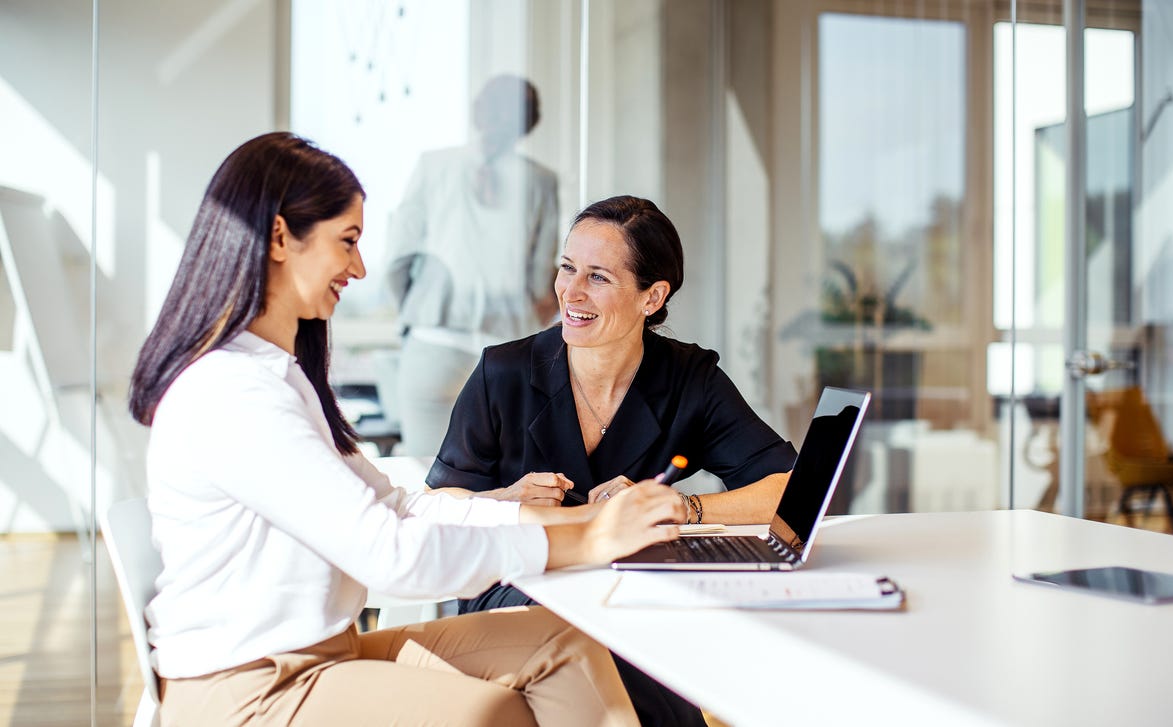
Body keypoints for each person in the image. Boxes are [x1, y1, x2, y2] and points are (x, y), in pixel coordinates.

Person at [127, 133, 684, 727]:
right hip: (250, 687)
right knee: (491, 713)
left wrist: (583, 521)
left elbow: (397, 506)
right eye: (348, 241)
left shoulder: (278, 378)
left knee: (564, 642)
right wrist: (585, 542)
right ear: (280, 237)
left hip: (322, 658)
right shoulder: (233, 393)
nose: (361, 267)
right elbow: (389, 554)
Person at [426, 194, 798, 725]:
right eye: (567, 268)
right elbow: (439, 504)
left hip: (635, 588)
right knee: (608, 641)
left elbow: (789, 487)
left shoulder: (689, 378)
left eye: (598, 277)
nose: (570, 292)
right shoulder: (502, 373)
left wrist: (677, 506)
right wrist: (504, 500)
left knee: (643, 639)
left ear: (653, 296)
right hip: (521, 586)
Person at [384, 74, 559, 455]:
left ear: (478, 112)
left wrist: (417, 307)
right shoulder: (541, 182)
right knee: (510, 476)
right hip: (508, 345)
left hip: (436, 337)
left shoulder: (433, 167)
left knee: (427, 474)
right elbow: (542, 278)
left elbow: (398, 256)